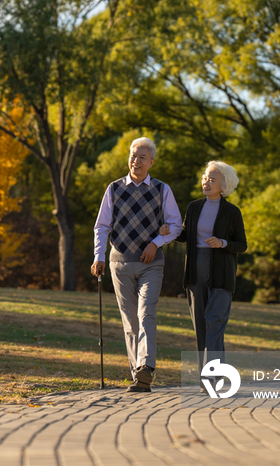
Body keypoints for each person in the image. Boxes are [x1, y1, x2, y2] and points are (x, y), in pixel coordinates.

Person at [91, 137, 182, 393]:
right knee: (130, 321)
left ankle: (146, 367)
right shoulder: (114, 188)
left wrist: (156, 242)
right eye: (133, 155)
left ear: (151, 161)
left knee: (146, 314)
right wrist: (98, 256)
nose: (136, 160)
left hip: (151, 264)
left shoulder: (162, 189)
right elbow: (102, 226)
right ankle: (138, 375)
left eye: (142, 157)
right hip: (119, 263)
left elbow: (175, 225)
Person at [159, 160, 247, 390]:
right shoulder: (194, 207)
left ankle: (213, 376)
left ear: (223, 185)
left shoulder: (232, 212)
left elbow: (242, 244)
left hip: (221, 273)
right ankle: (205, 377)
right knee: (201, 326)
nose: (206, 182)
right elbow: (185, 235)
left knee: (214, 323)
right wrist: (169, 230)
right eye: (205, 177)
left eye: (212, 179)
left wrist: (223, 242)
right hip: (195, 271)